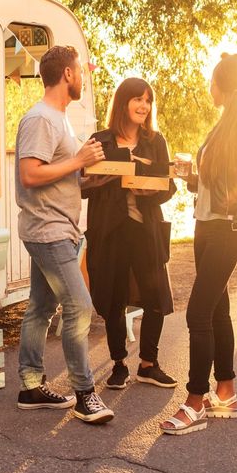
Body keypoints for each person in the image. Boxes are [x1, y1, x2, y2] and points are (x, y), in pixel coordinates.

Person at [162, 53, 237, 436]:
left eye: (212, 81)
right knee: (217, 309)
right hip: (206, 225)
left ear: (222, 85)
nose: (209, 87)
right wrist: (190, 176)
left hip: (230, 227)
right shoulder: (222, 124)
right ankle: (225, 393)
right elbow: (213, 184)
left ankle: (195, 401)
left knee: (197, 313)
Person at [14, 44, 115, 424]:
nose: (83, 78)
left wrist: (89, 175)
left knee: (40, 308)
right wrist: (78, 161)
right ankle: (85, 393)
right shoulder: (41, 118)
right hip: (47, 229)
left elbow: (59, 175)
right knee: (79, 306)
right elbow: (30, 174)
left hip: (62, 227)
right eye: (81, 72)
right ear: (68, 75)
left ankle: (30, 385)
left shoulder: (61, 119)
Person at [81, 77, 178, 390]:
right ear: (123, 103)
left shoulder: (155, 141)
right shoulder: (99, 141)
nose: (143, 106)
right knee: (114, 299)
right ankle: (119, 364)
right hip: (110, 233)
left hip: (146, 230)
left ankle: (148, 364)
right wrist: (97, 180)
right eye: (138, 99)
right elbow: (81, 185)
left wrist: (148, 190)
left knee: (156, 297)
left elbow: (169, 185)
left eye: (148, 100)